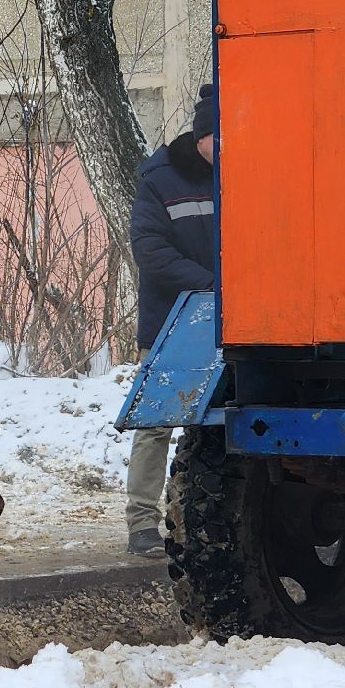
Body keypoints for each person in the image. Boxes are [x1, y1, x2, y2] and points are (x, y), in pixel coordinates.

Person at [126, 85, 219, 556]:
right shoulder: (159, 180)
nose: (226, 147)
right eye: (218, 137)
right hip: (171, 322)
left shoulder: (239, 172)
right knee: (157, 424)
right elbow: (151, 252)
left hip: (230, 324)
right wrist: (210, 286)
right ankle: (142, 524)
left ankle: (210, 522)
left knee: (219, 424)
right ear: (200, 135)